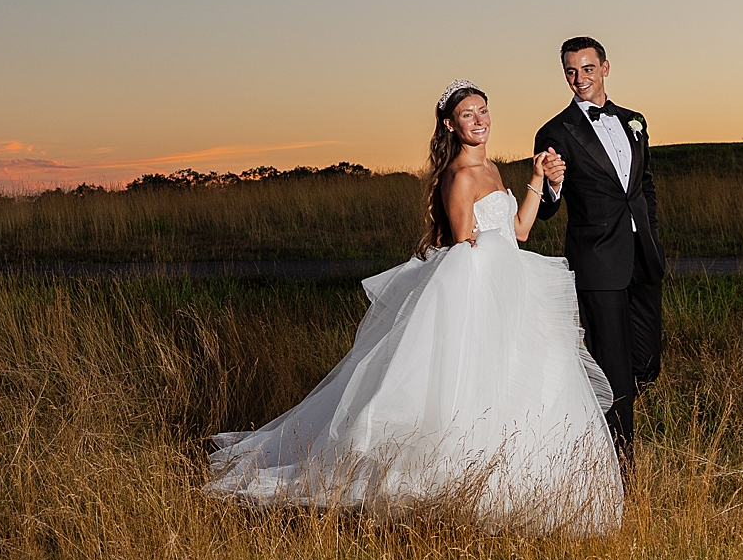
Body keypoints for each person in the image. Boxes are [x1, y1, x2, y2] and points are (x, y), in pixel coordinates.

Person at [206, 81, 622, 532]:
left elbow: (518, 232)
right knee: (475, 388)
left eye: (484, 111)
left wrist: (539, 180)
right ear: (450, 124)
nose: (480, 120)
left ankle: (519, 483)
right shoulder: (460, 176)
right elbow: (466, 244)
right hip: (481, 291)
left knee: (524, 385)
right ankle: (460, 484)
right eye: (469, 114)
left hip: (513, 284)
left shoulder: (495, 170)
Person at [532, 37, 665, 461]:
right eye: (571, 71)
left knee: (646, 362)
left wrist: (654, 240)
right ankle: (618, 473)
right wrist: (552, 183)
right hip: (597, 263)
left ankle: (589, 411)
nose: (579, 79)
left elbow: (644, 187)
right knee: (615, 373)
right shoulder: (554, 131)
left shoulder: (634, 121)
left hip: (642, 257)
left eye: (587, 69)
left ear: (605, 68)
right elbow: (549, 209)